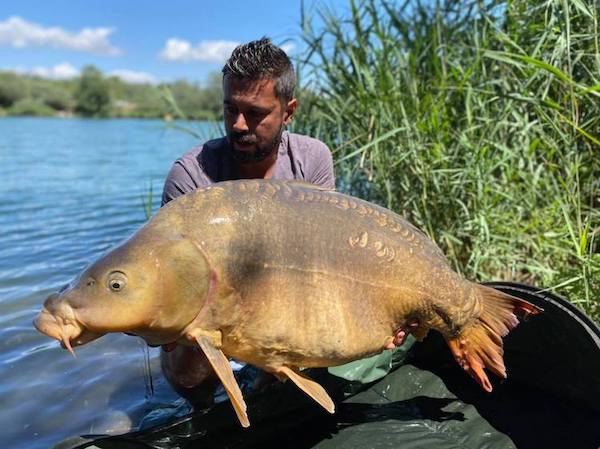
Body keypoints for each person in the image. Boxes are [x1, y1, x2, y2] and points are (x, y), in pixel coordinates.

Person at [159, 37, 335, 406]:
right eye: (230, 110)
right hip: (214, 307)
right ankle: (208, 411)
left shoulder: (313, 159)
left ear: (288, 112)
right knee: (186, 367)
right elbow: (173, 278)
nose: (238, 125)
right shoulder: (189, 176)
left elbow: (320, 263)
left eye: (255, 113)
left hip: (286, 299)